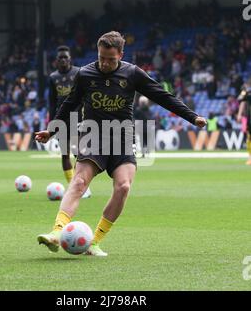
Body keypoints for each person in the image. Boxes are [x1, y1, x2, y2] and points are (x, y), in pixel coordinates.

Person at [35, 31, 207, 256]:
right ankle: (57, 232)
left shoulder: (132, 73)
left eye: (111, 59)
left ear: (121, 55)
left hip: (122, 137)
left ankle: (93, 242)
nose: (105, 63)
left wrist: (192, 117)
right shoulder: (86, 74)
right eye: (101, 57)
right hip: (92, 135)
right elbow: (70, 103)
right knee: (79, 181)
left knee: (124, 187)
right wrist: (51, 129)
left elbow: (163, 96)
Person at [49, 45, 91, 198]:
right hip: (61, 119)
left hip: (78, 117)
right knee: (64, 154)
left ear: (70, 58)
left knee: (79, 154)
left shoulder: (78, 73)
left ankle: (82, 185)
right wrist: (51, 123)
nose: (63, 60)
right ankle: (72, 186)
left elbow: (86, 95)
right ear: (56, 61)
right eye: (60, 57)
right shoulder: (53, 78)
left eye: (65, 57)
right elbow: (52, 102)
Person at [237, 79, 251, 165]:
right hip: (249, 118)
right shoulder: (247, 93)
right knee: (249, 138)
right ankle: (250, 157)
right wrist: (239, 114)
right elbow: (241, 100)